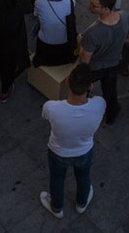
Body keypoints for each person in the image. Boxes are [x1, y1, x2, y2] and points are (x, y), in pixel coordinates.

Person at [39, 64, 105, 219]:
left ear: (67, 81)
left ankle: (57, 208)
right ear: (90, 86)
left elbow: (44, 115)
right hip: (84, 151)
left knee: (57, 178)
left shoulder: (51, 107)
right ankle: (81, 204)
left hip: (58, 152)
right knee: (83, 176)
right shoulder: (100, 103)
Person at [79, 0, 129, 125]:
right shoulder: (125, 16)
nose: (89, 7)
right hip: (114, 64)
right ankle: (111, 114)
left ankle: (80, 112)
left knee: (82, 89)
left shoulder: (92, 32)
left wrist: (80, 42)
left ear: (106, 9)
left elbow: (85, 58)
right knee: (110, 92)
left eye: (95, 6)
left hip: (95, 67)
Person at [32, 0, 77, 67]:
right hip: (65, 44)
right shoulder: (71, 2)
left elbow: (35, 15)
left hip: (45, 44)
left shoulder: (39, 3)